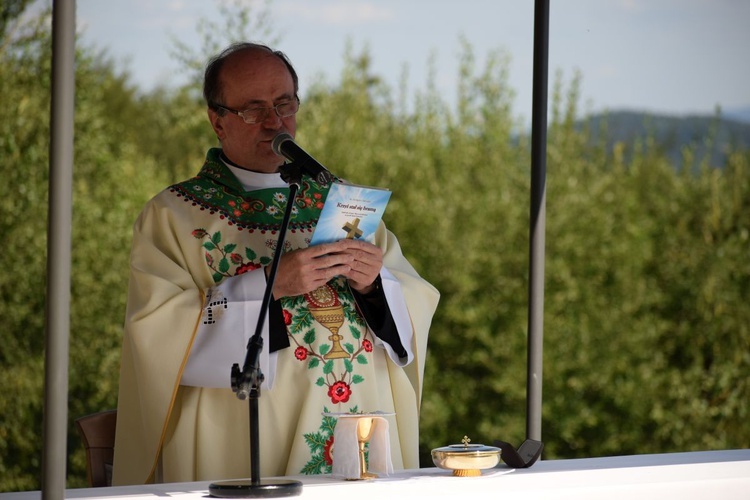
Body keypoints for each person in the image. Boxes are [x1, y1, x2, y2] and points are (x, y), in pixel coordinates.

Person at [112, 42, 439, 485]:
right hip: (249, 444)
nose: (274, 121)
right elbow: (156, 332)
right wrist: (269, 284)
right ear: (217, 120)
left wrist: (373, 285)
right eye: (253, 109)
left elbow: (415, 300)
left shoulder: (343, 202)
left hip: (360, 426)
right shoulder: (173, 216)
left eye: (284, 103)